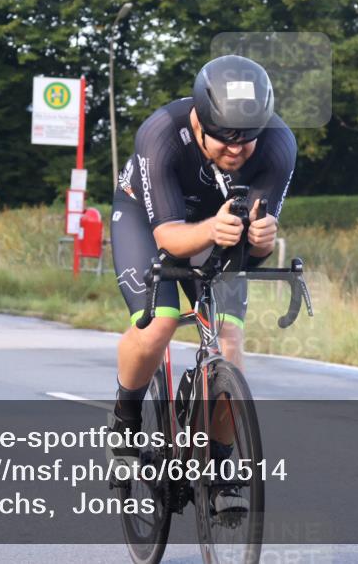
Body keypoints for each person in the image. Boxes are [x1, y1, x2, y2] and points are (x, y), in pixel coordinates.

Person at [108, 55, 296, 510]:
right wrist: (213, 229)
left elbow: (249, 252)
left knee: (228, 341)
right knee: (160, 322)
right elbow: (169, 238)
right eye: (225, 139)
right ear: (198, 121)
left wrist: (262, 239)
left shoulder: (278, 145)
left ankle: (220, 467)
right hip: (147, 223)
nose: (236, 150)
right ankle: (125, 421)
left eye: (246, 140)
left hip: (217, 230)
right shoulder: (161, 134)